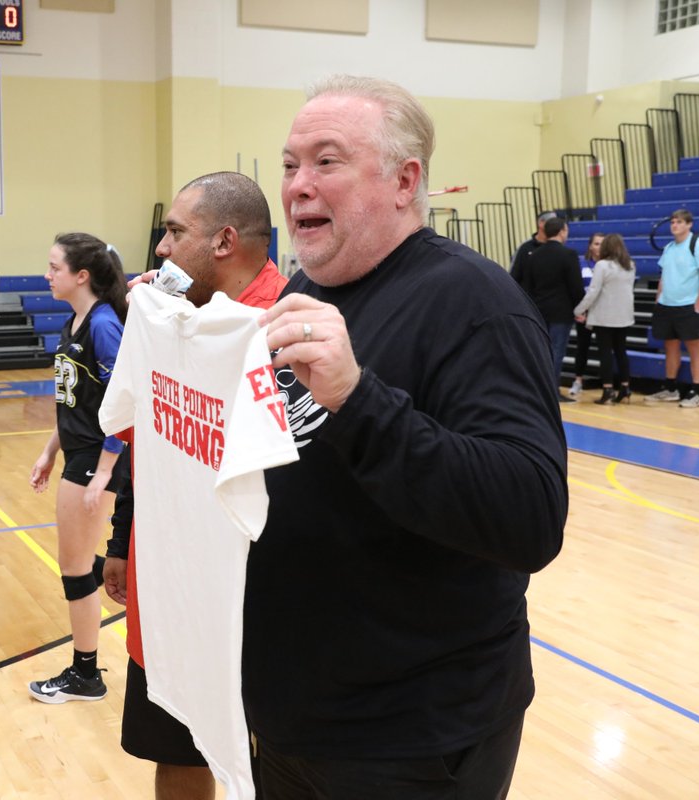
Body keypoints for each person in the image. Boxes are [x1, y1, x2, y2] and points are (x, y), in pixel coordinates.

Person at [248, 75, 568, 799]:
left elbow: (531, 515)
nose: (298, 185)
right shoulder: (308, 297)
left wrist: (358, 401)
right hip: (294, 717)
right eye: (290, 163)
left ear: (405, 179)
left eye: (326, 161)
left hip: (412, 742)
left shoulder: (476, 303)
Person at [103, 171, 285, 800]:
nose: (159, 249)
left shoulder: (277, 337)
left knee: (262, 765)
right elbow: (142, 445)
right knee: (173, 752)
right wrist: (122, 540)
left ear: (224, 241)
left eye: (174, 233)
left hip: (244, 604)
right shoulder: (169, 314)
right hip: (168, 592)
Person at [28, 232, 129, 703]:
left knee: (73, 567)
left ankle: (86, 674)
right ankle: (123, 574)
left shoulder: (104, 326)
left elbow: (123, 401)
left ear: (81, 275)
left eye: (54, 267)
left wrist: (107, 470)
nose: (47, 275)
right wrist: (50, 451)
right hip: (78, 453)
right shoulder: (75, 322)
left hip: (96, 459)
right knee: (76, 562)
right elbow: (76, 401)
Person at [645, 208, 699, 407]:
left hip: (688, 306)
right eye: (673, 222)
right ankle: (670, 388)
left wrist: (698, 305)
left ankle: (698, 391)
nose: (674, 225)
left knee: (695, 348)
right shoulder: (669, 247)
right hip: (667, 306)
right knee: (670, 346)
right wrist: (659, 300)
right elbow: (664, 277)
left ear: (689, 224)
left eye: (679, 222)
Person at [523, 217, 585, 401]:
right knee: (556, 352)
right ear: (562, 232)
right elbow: (575, 286)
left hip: (539, 310)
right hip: (561, 311)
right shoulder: (568, 254)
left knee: (541, 352)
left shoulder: (534, 255)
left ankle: (539, 390)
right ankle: (552, 391)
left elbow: (527, 286)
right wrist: (580, 308)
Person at [574, 234, 636, 405]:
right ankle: (625, 387)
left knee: (605, 354)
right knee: (621, 352)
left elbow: (593, 292)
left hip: (604, 316)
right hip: (624, 315)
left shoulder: (602, 265)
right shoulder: (630, 265)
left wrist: (579, 309)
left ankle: (608, 390)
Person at [568, 232, 604, 397]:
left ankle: (607, 383)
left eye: (602, 244)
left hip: (603, 314)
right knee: (582, 347)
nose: (599, 247)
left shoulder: (608, 264)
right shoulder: (581, 263)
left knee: (605, 348)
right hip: (584, 312)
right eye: (596, 243)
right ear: (590, 245)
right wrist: (580, 310)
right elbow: (575, 288)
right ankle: (578, 381)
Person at [509, 210, 556, 286]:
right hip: (530, 296)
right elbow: (513, 275)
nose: (556, 226)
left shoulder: (558, 247)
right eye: (552, 222)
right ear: (541, 223)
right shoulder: (525, 247)